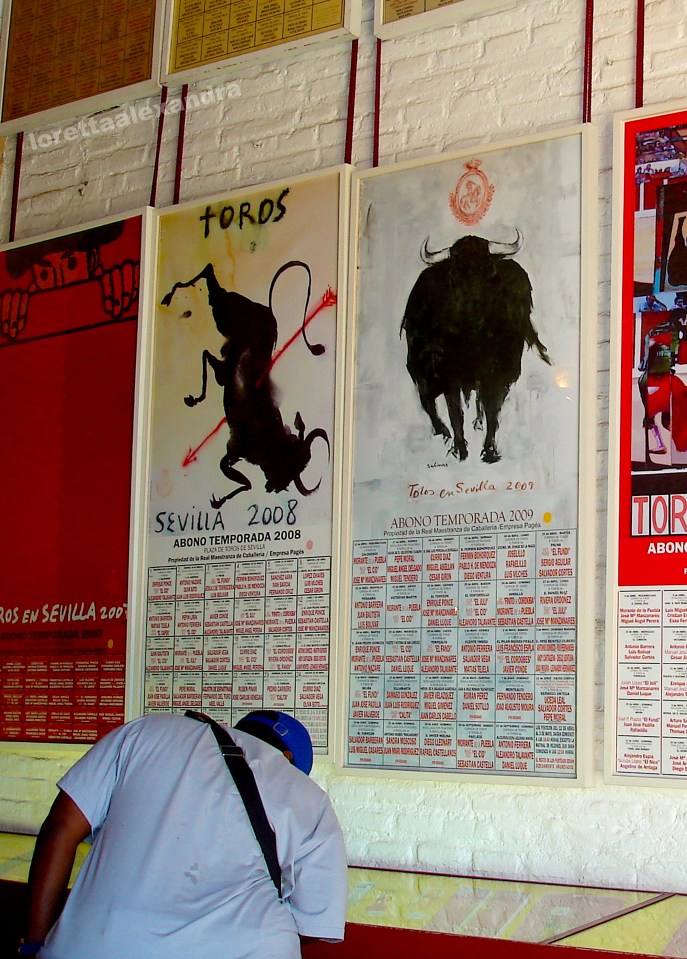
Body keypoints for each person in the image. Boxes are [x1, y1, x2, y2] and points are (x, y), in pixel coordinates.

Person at [19, 710, 348, 959]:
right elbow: (313, 924)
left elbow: (59, 829)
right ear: (288, 758)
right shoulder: (311, 798)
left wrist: (35, 940)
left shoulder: (145, 732)